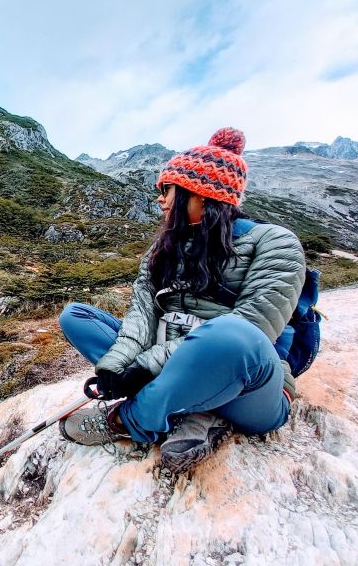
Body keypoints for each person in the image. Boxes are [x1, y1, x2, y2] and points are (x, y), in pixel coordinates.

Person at [57, 127, 306, 472]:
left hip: (246, 386)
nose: (159, 199)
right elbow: (142, 313)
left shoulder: (276, 243)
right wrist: (117, 364)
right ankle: (193, 413)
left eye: (166, 189)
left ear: (200, 193)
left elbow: (256, 327)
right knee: (76, 316)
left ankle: (128, 419)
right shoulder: (164, 247)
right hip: (170, 364)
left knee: (231, 335)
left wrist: (145, 368)